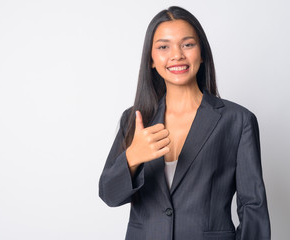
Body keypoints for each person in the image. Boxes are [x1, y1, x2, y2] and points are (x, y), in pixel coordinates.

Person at [98, 6, 271, 240]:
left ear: (202, 53)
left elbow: (253, 208)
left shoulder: (237, 121)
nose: (177, 54)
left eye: (188, 44)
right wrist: (132, 158)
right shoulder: (135, 119)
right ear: (151, 59)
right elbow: (109, 195)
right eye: (163, 47)